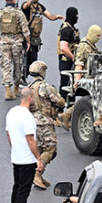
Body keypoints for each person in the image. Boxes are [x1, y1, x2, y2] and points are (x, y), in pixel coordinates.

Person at [6, 87, 43, 203]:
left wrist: (15, 148)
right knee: (23, 190)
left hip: (16, 156)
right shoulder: (27, 116)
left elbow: (9, 134)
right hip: (27, 159)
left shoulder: (12, 112)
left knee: (16, 188)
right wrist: (38, 158)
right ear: (30, 98)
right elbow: (30, 139)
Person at [25, 61, 66, 189]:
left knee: (40, 150)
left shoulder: (28, 87)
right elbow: (60, 101)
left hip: (31, 122)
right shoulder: (45, 86)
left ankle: (39, 175)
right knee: (50, 149)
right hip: (45, 122)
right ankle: (36, 174)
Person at [0, 0, 31, 101]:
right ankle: (16, 87)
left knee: (6, 65)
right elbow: (25, 29)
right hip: (17, 43)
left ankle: (7, 90)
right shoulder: (18, 13)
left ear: (6, 0)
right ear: (14, 0)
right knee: (18, 64)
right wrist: (28, 42)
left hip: (4, 42)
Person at [21, 0, 64, 72]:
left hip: (36, 38)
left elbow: (50, 16)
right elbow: (25, 6)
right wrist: (31, 0)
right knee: (28, 59)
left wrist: (57, 17)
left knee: (34, 59)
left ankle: (26, 75)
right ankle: (22, 76)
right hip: (27, 37)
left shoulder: (40, 7)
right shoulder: (27, 5)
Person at [58, 7, 81, 104]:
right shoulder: (67, 30)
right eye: (76, 15)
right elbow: (63, 47)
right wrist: (73, 58)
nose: (77, 17)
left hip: (69, 61)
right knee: (65, 87)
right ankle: (60, 110)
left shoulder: (71, 28)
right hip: (66, 62)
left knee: (71, 88)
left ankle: (70, 110)